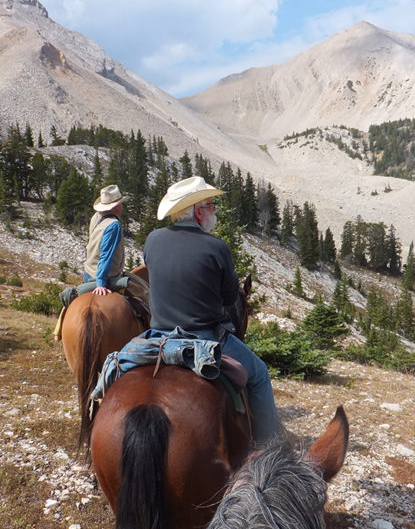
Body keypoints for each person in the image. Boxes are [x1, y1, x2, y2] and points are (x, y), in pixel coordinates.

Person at [143, 176, 281, 446]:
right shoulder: (216, 247)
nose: (215, 210)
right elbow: (231, 298)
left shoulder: (152, 240)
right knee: (260, 374)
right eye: (211, 205)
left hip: (158, 336)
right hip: (206, 336)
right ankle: (271, 447)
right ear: (197, 211)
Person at [83, 184, 149, 303]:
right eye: (120, 203)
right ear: (116, 207)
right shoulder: (113, 225)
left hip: (88, 273)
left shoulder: (96, 217)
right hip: (107, 277)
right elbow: (106, 255)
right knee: (145, 292)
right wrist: (101, 283)